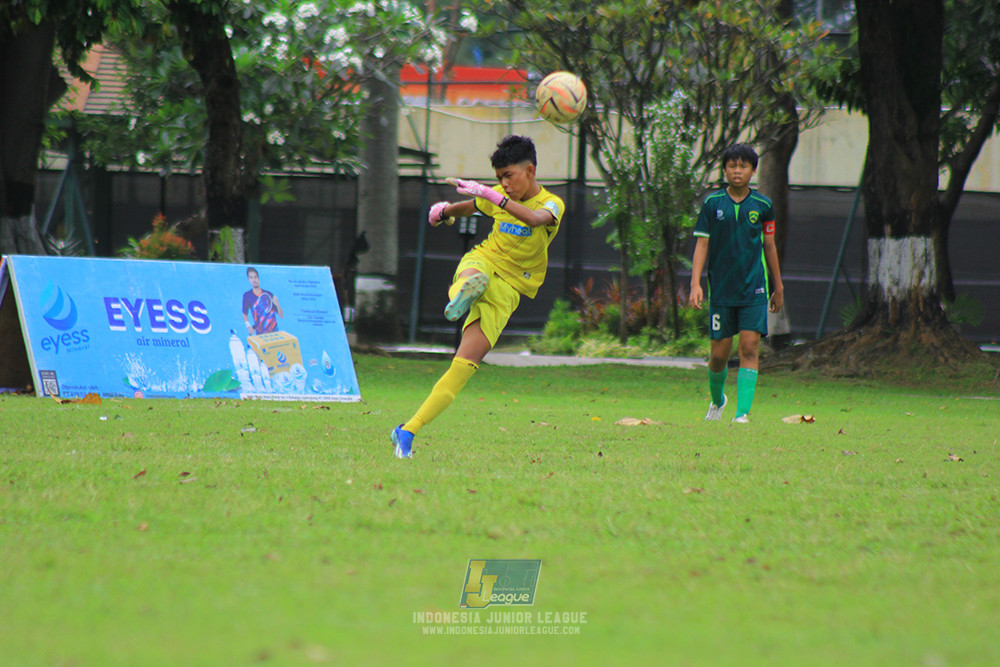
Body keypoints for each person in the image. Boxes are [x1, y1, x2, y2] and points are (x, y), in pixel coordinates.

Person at [391, 136, 565, 458]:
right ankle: (462, 296)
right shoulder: (498, 195)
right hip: (485, 260)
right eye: (499, 179)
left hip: (510, 288)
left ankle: (407, 430)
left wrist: (490, 194)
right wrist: (443, 212)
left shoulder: (551, 203)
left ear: (530, 171)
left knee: (463, 366)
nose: (504, 184)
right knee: (475, 274)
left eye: (508, 176)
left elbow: (535, 220)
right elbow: (471, 206)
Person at [688, 143, 784, 423]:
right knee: (719, 354)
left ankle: (742, 414)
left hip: (754, 288)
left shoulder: (763, 206)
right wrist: (696, 284)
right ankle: (718, 401)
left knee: (750, 348)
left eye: (743, 166)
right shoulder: (712, 204)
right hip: (721, 290)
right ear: (725, 169)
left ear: (753, 170)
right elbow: (702, 245)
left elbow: (769, 246)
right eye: (732, 166)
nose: (737, 171)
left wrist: (778, 286)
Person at [242, 267, 284, 335]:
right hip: (260, 335)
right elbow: (244, 314)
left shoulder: (269, 294)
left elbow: (281, 315)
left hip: (274, 333)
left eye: (255, 277)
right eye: (251, 277)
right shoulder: (247, 296)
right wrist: (249, 327)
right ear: (248, 279)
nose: (254, 280)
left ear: (258, 279)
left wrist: (277, 304)